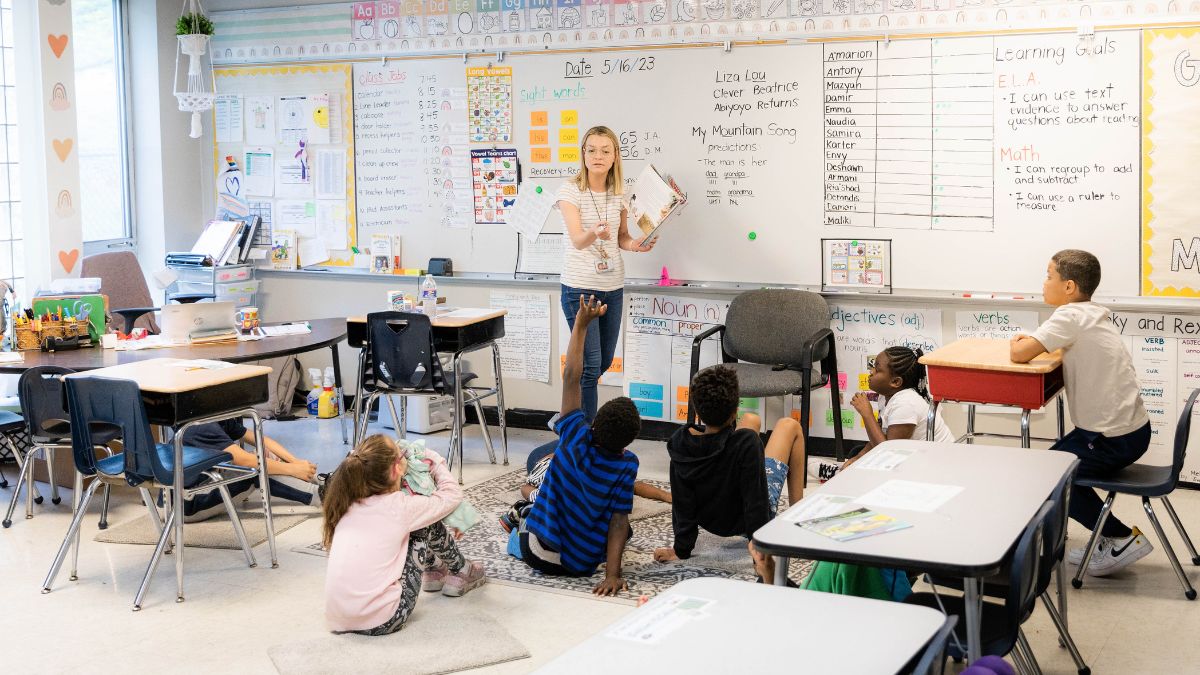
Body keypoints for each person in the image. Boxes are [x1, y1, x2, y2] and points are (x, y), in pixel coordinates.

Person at [1011, 249, 1153, 576]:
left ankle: (1119, 537)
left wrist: (1021, 339)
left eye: (1049, 276)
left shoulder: (1069, 316)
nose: (1044, 283)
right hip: (1128, 431)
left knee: (1048, 477)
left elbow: (1020, 354)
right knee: (1048, 466)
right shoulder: (1092, 314)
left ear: (1070, 287)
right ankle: (1105, 537)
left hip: (1112, 438)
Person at [515, 295, 641, 596]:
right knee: (625, 528)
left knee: (529, 504)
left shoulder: (575, 435)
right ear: (626, 444)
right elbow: (619, 521)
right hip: (582, 564)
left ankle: (519, 513)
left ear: (593, 424)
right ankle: (527, 506)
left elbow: (572, 376)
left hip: (539, 553)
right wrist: (612, 575)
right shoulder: (627, 464)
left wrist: (581, 326)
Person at [323, 434, 486, 635]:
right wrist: (435, 463)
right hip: (384, 620)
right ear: (396, 468)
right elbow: (451, 495)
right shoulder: (400, 508)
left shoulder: (346, 503)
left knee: (417, 519)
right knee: (424, 521)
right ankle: (460, 569)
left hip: (339, 618)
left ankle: (435, 570)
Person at [651, 365, 805, 566]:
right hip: (744, 519)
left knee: (752, 420)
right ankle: (800, 517)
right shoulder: (747, 444)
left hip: (712, 520)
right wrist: (759, 550)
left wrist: (681, 549)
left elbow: (682, 505)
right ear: (734, 412)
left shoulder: (680, 446)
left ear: (697, 410)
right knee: (790, 425)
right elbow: (756, 501)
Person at [556, 125, 656, 421]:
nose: (598, 156)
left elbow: (621, 237)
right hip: (579, 288)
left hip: (612, 287)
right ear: (583, 154)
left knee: (604, 362)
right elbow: (577, 240)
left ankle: (565, 418)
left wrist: (636, 244)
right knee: (590, 365)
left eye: (605, 150)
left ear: (615, 157)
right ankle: (584, 434)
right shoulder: (570, 191)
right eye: (591, 150)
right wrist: (593, 233)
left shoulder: (619, 194)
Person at [179, 418, 324, 523]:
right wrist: (292, 469)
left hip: (207, 480)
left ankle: (326, 482)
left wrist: (296, 462)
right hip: (187, 503)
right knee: (252, 470)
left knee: (265, 454)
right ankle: (324, 496)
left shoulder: (217, 417)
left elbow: (261, 440)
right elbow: (246, 461)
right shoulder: (201, 426)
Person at [842, 345, 956, 467]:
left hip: (940, 465)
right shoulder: (886, 396)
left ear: (895, 382)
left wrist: (867, 414)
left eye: (877, 369)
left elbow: (889, 455)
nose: (871, 372)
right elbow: (880, 435)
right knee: (856, 455)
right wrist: (858, 458)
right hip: (918, 458)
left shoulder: (906, 403)